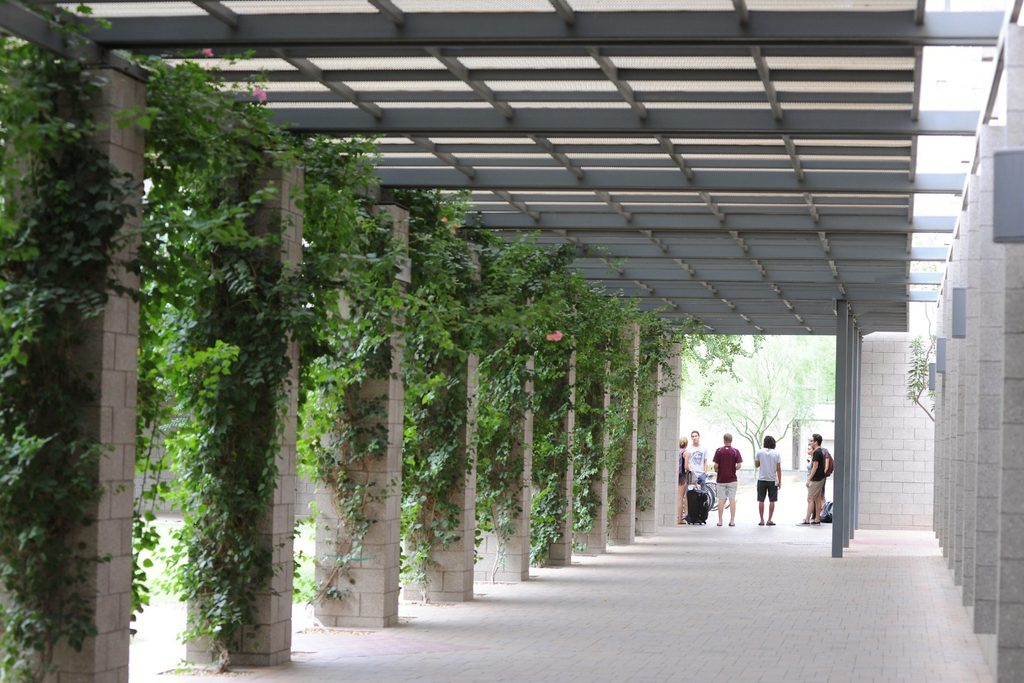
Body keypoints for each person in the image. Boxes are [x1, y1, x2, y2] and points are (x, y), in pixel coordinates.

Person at [712, 433, 742, 527]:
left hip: (721, 479)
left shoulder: (719, 450)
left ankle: (720, 521)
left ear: (724, 440)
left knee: (721, 500)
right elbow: (739, 465)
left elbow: (716, 466)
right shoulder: (735, 451)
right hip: (732, 479)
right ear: (731, 440)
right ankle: (732, 521)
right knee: (732, 499)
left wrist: (717, 470)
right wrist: (733, 469)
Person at [755, 435, 782, 526]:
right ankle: (769, 520)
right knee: (772, 500)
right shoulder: (776, 453)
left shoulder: (759, 452)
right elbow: (778, 469)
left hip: (761, 479)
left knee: (761, 500)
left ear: (764, 442)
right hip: (772, 480)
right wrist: (780, 481)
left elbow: (757, 465)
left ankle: (762, 520)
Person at [801, 434, 827, 525]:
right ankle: (817, 519)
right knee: (817, 499)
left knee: (810, 498)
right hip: (821, 478)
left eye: (812, 441)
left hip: (816, 479)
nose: (811, 442)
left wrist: (809, 479)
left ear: (816, 442)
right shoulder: (821, 451)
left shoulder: (816, 452)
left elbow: (815, 467)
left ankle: (807, 519)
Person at [677, 436, 690, 524]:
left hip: (675, 475)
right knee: (681, 498)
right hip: (682, 476)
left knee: (677, 497)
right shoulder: (686, 453)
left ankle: (677, 517)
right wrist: (690, 468)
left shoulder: (676, 452)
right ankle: (680, 519)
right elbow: (685, 466)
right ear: (686, 443)